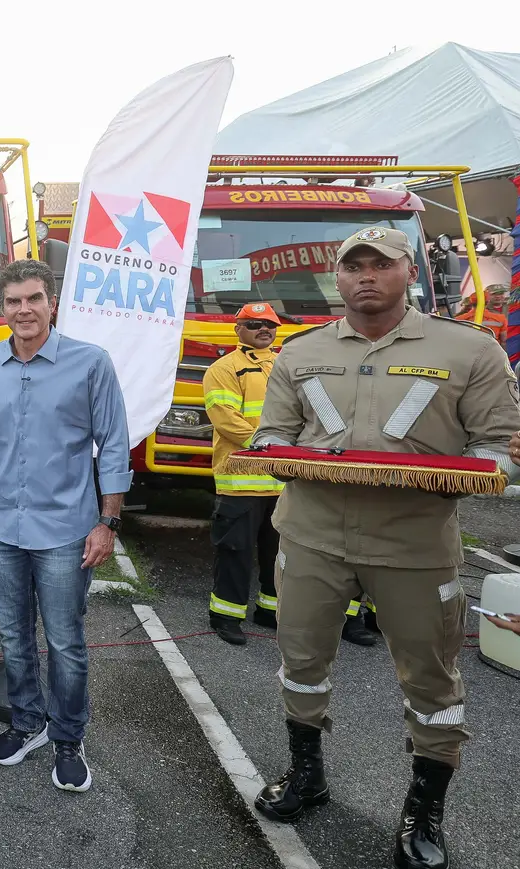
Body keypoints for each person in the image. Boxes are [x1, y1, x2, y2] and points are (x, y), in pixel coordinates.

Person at [249, 227, 520, 869]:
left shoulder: (470, 350)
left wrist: (473, 473)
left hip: (415, 544)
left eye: (381, 264)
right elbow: (272, 434)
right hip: (312, 537)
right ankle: (307, 773)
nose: (366, 276)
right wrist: (276, 455)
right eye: (353, 266)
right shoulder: (300, 351)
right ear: (337, 277)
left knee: (432, 679)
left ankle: (424, 809)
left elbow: (497, 449)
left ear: (410, 272)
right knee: (300, 661)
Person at [0, 259, 131, 794]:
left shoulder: (90, 362)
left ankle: (68, 738)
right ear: (1, 309)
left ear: (52, 303)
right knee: (13, 637)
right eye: (13, 301)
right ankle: (28, 722)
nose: (24, 310)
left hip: (65, 531)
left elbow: (113, 444)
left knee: (65, 643)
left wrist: (108, 522)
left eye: (34, 298)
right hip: (2, 527)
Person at [204, 302, 285, 644]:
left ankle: (270, 610)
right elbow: (225, 419)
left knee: (279, 555)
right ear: (238, 330)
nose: (263, 329)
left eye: (270, 324)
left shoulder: (285, 365)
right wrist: (269, 445)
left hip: (282, 482)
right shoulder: (224, 368)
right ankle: (225, 616)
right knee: (235, 552)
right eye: (254, 324)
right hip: (241, 481)